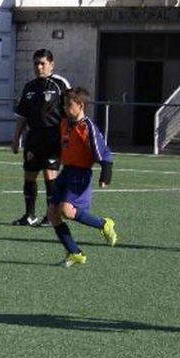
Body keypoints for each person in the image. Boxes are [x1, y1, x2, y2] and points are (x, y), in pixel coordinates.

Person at [47, 87, 117, 267]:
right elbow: (61, 145)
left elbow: (105, 153)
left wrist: (105, 174)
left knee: (66, 210)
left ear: (81, 105)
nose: (65, 108)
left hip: (81, 174)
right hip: (66, 172)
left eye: (69, 105)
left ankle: (103, 224)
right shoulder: (64, 124)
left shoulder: (88, 128)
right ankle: (74, 252)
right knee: (52, 213)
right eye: (64, 104)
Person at [11, 48, 70, 227]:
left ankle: (50, 216)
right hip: (33, 137)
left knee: (49, 176)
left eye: (42, 63)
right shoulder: (29, 87)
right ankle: (29, 215)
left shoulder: (60, 84)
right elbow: (22, 115)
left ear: (51, 65)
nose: (38, 67)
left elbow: (70, 111)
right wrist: (16, 137)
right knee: (29, 176)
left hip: (53, 136)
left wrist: (69, 136)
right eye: (36, 63)